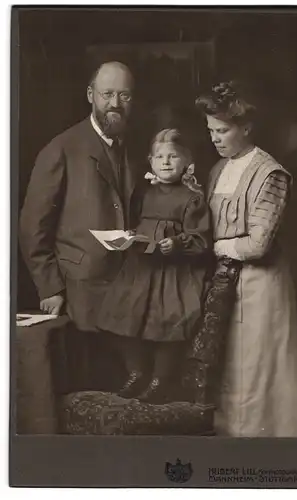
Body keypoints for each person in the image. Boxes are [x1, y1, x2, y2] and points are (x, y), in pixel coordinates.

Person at [195, 81, 297, 437]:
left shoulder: (270, 174)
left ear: (246, 127)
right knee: (229, 369)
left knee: (255, 370)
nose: (215, 138)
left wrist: (216, 248)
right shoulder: (217, 169)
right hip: (225, 287)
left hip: (261, 288)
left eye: (222, 130)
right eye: (211, 130)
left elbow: (258, 244)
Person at [19, 61, 140, 333]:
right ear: (90, 96)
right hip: (79, 292)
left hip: (129, 288)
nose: (115, 103)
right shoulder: (61, 149)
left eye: (125, 95)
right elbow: (32, 228)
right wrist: (50, 288)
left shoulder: (135, 148)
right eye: (107, 94)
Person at [97, 128, 211, 404]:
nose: (166, 162)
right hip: (141, 269)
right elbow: (136, 224)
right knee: (123, 315)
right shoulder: (143, 192)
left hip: (173, 274)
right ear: (150, 161)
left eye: (173, 156)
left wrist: (178, 243)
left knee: (166, 324)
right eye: (159, 156)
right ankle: (137, 372)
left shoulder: (192, 197)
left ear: (187, 162)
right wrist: (128, 238)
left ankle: (161, 380)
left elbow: (201, 239)